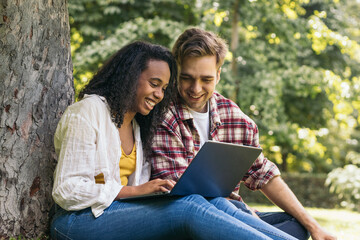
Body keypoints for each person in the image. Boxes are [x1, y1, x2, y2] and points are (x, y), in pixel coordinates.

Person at [50, 41, 299, 240]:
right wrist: (133, 191)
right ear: (129, 76)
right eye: (154, 84)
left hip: (120, 215)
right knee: (188, 208)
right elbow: (66, 190)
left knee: (209, 203)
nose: (159, 95)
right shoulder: (87, 112)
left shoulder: (137, 125)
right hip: (77, 222)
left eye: (164, 88)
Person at [150, 28, 337, 240]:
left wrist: (314, 227)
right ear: (176, 73)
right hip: (188, 225)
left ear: (218, 75)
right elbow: (186, 199)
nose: (196, 88)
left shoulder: (234, 116)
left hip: (235, 214)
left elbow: (263, 174)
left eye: (206, 79)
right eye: (187, 78)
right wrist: (246, 217)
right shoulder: (162, 115)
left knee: (296, 226)